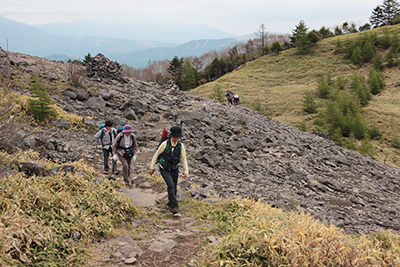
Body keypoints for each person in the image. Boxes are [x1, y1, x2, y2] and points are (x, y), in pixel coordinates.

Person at [149, 126, 189, 214]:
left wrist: (186, 172)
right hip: (164, 168)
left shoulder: (180, 146)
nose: (176, 139)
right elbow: (156, 155)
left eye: (177, 138)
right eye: (174, 137)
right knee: (170, 185)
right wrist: (152, 168)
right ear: (171, 136)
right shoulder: (165, 144)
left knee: (174, 187)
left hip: (174, 168)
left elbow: (184, 159)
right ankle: (174, 207)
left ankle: (170, 203)